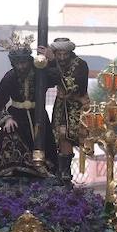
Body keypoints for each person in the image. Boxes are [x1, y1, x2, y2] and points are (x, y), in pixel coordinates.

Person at [0, 39, 56, 180]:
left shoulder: (40, 72)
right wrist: (6, 119)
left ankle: (47, 172)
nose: (21, 67)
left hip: (38, 116)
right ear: (13, 63)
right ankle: (10, 173)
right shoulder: (10, 77)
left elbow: (56, 77)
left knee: (46, 144)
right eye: (18, 63)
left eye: (24, 62)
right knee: (8, 134)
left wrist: (52, 59)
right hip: (17, 117)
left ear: (29, 60)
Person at [45, 37, 90, 180]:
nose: (62, 57)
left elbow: (72, 87)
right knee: (59, 135)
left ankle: (65, 170)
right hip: (60, 105)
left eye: (65, 54)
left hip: (76, 106)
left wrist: (53, 63)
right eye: (59, 54)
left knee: (67, 134)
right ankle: (61, 170)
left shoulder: (81, 65)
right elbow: (50, 80)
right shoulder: (52, 63)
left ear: (70, 53)